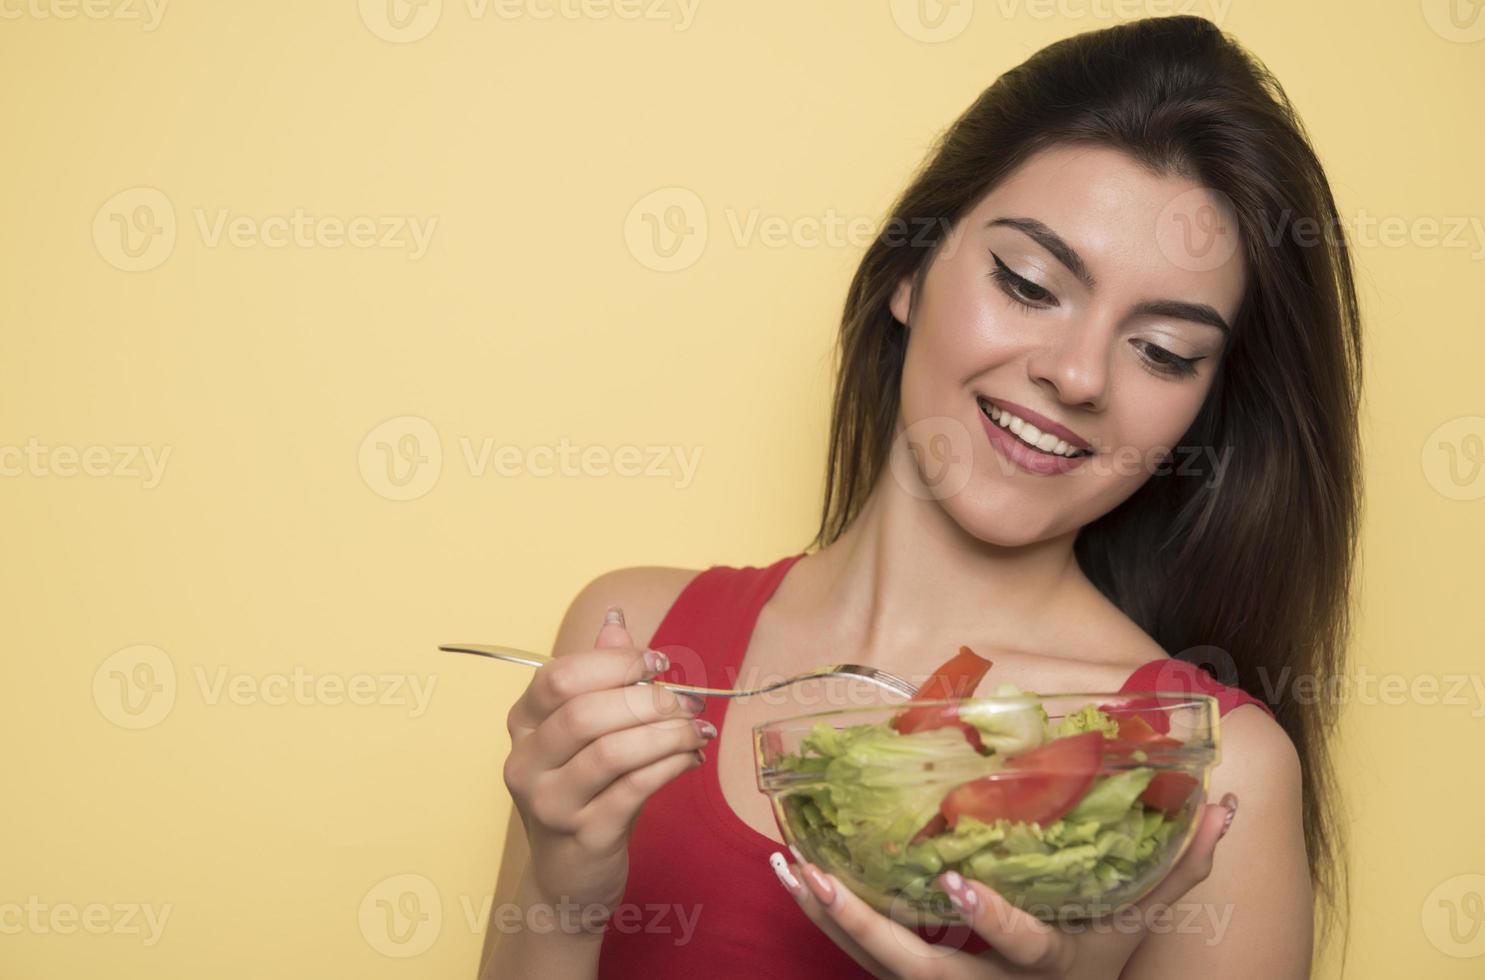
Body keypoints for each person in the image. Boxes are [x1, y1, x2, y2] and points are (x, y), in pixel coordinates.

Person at [482, 15, 1359, 979]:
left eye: (1161, 351)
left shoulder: (1211, 775)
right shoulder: (641, 645)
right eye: (1028, 283)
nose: (1076, 376)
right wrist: (560, 898)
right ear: (910, 267)